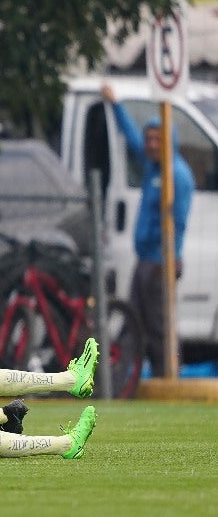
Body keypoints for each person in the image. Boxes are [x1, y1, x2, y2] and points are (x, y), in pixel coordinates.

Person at [101, 84, 195, 377]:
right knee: (134, 321)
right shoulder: (153, 167)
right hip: (145, 261)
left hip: (159, 262)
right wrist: (115, 104)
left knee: (159, 326)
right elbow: (130, 135)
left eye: (157, 139)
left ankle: (168, 376)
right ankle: (127, 381)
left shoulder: (175, 174)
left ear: (169, 141)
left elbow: (177, 222)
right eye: (149, 139)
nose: (151, 144)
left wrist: (171, 259)